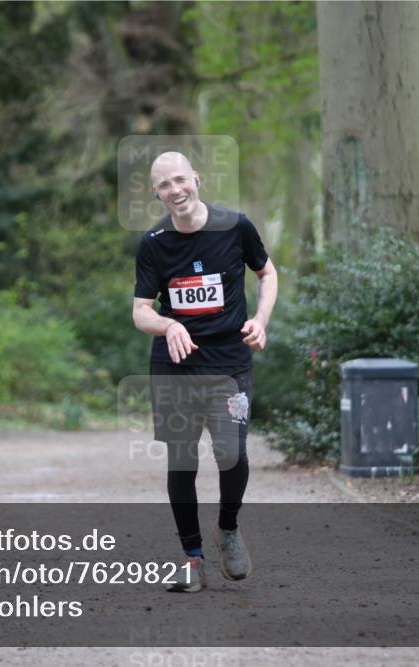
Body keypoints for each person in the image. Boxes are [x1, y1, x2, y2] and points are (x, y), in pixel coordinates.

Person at [132, 151, 278, 592]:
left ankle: (228, 528)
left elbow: (267, 274)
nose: (174, 190)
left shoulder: (235, 226)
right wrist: (169, 322)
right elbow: (141, 311)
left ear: (196, 178)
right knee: (182, 460)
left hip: (229, 363)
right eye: (164, 185)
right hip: (175, 367)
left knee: (233, 454)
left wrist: (261, 320)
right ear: (156, 192)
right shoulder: (154, 242)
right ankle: (191, 558)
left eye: (180, 180)